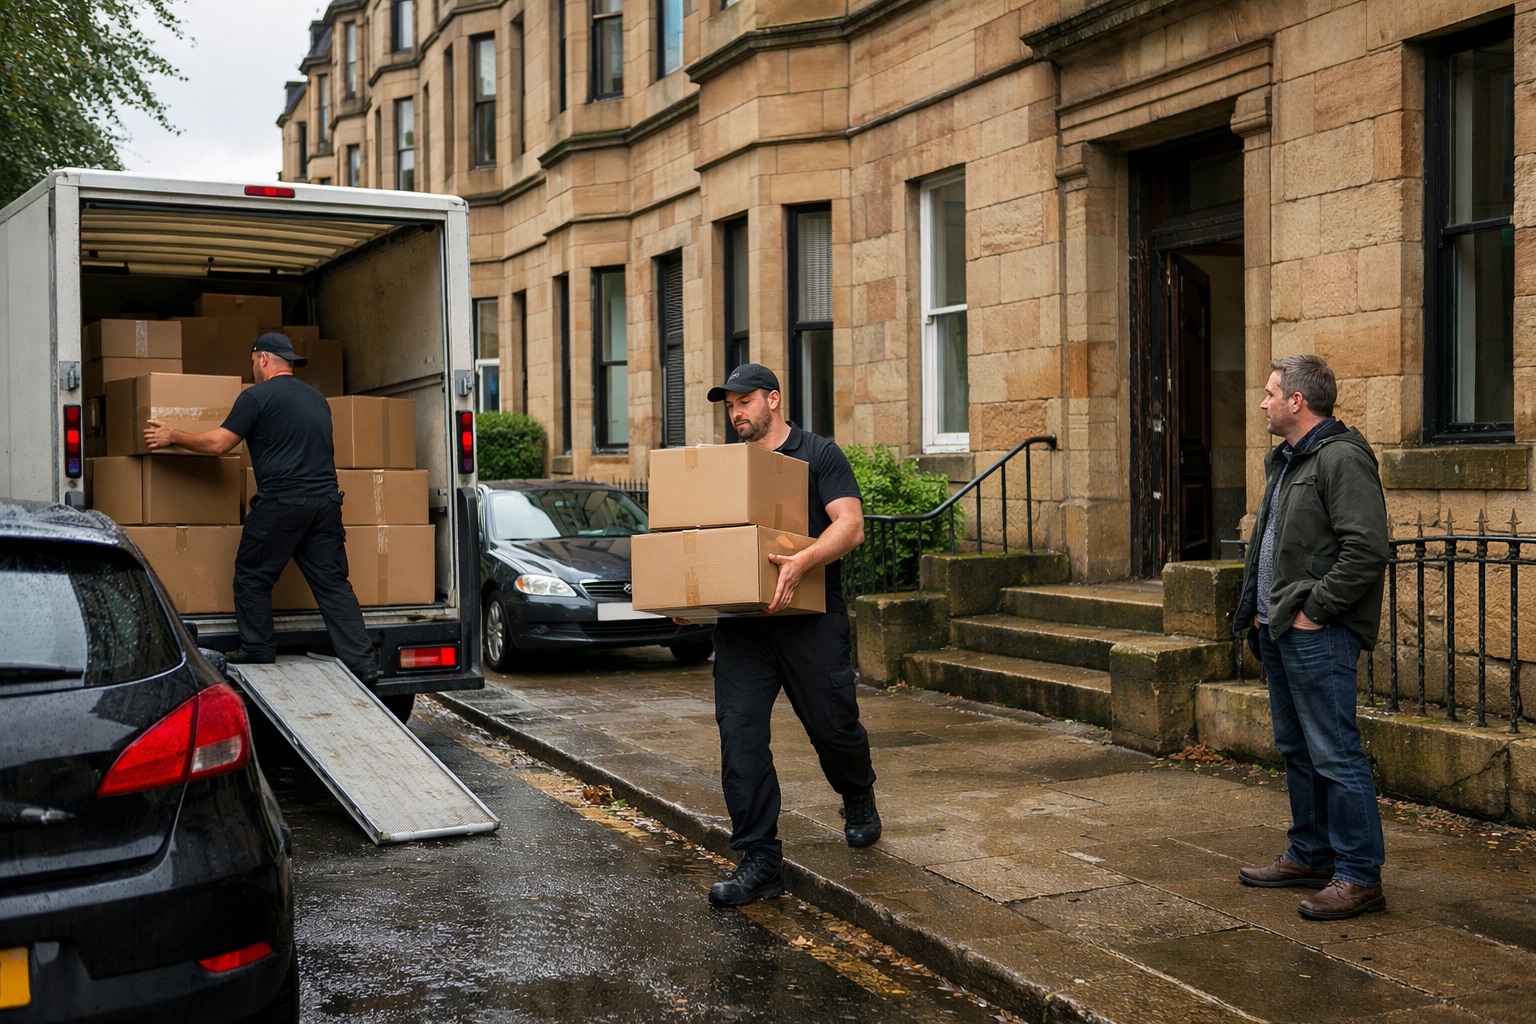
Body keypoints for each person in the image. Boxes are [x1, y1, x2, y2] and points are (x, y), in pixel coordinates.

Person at [701, 363, 879, 908]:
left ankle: (857, 791)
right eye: (729, 405)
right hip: (744, 627)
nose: (736, 413)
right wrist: (691, 596)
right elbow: (705, 539)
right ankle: (759, 859)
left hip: (810, 619)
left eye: (745, 402)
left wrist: (800, 562)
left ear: (773, 400)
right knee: (741, 735)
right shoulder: (725, 468)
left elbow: (850, 524)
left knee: (833, 726)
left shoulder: (818, 455)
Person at [1232, 354, 1389, 921]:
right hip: (1277, 628)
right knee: (1298, 749)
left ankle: (1358, 874)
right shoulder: (1289, 460)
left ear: (1298, 401)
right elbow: (1276, 545)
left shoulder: (1341, 458)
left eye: (1270, 393)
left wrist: (1314, 610)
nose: (1263, 402)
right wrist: (1258, 610)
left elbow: (1366, 550)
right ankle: (1311, 853)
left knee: (1335, 752)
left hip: (1315, 633)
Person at [143, 332, 377, 684]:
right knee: (332, 584)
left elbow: (220, 444)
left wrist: (173, 435)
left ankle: (258, 649)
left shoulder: (255, 397)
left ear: (264, 359)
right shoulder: (318, 400)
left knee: (252, 573)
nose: (251, 368)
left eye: (252, 361)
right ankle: (362, 665)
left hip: (282, 503)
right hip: (325, 503)